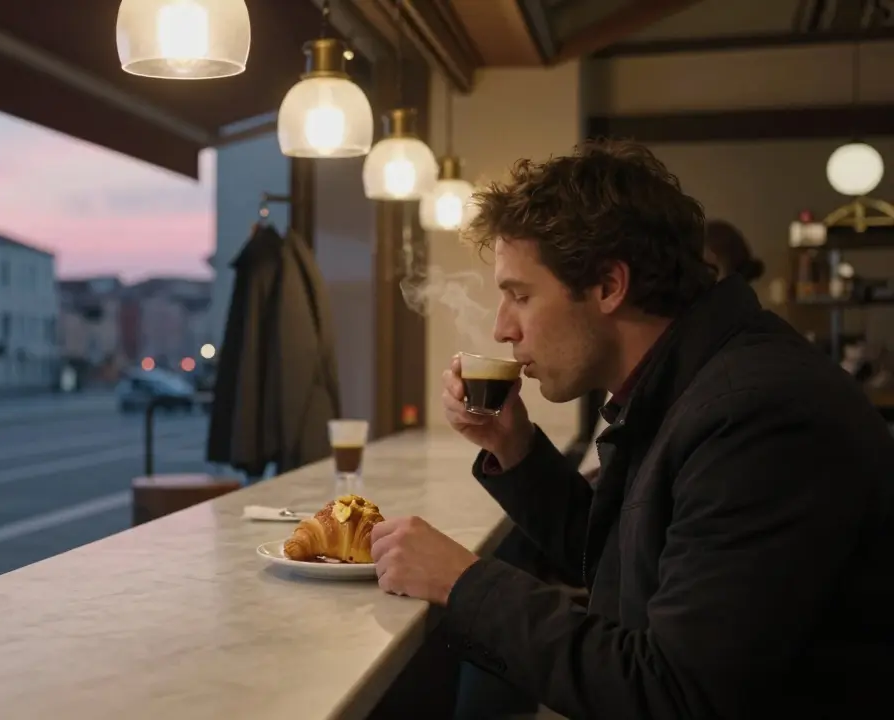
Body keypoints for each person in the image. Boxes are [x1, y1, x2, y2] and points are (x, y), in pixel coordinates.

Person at [369, 139, 894, 718]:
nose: (501, 329)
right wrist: (513, 448)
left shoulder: (759, 416)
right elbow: (625, 561)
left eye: (520, 295)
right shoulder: (687, 383)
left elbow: (674, 694)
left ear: (609, 287)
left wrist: (463, 583)